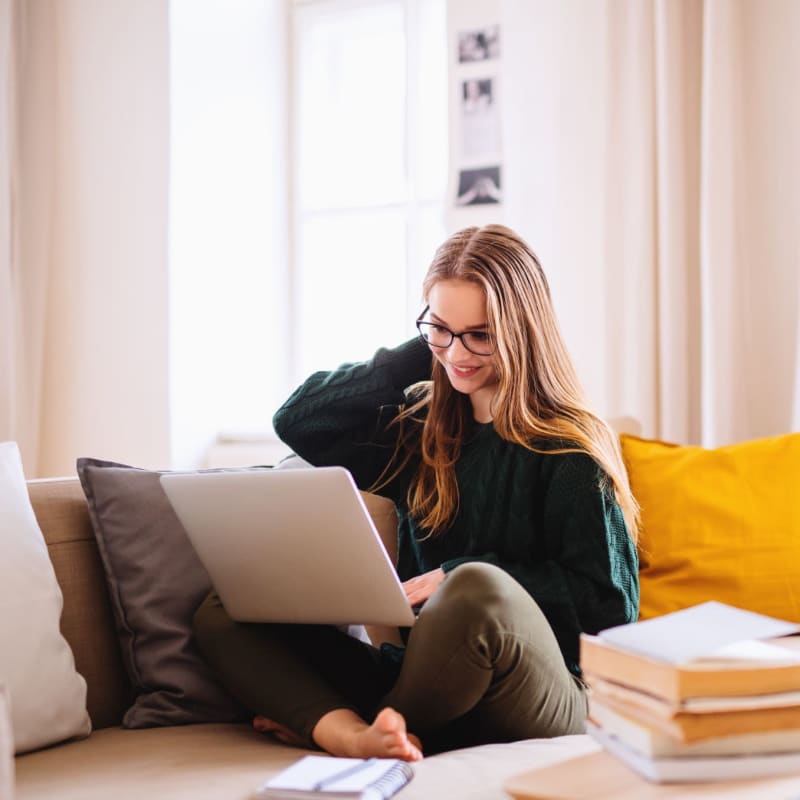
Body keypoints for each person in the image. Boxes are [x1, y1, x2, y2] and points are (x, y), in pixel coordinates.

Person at [193, 224, 640, 763]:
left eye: (481, 334)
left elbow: (611, 612)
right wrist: (427, 347)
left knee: (476, 587)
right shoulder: (418, 431)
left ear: (522, 331)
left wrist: (461, 574)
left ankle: (364, 726)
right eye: (440, 329)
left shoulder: (569, 449)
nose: (459, 354)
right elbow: (299, 419)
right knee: (226, 610)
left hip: (547, 689)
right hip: (426, 676)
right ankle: (359, 735)